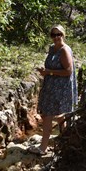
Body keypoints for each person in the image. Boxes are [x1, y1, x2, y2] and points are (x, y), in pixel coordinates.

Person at [29, 24, 78, 155]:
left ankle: (43, 148)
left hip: (61, 88)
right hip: (51, 86)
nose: (56, 37)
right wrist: (45, 71)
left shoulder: (64, 50)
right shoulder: (52, 48)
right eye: (53, 35)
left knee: (48, 115)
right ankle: (66, 140)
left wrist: (49, 72)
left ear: (63, 35)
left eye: (59, 34)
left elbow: (68, 71)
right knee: (56, 115)